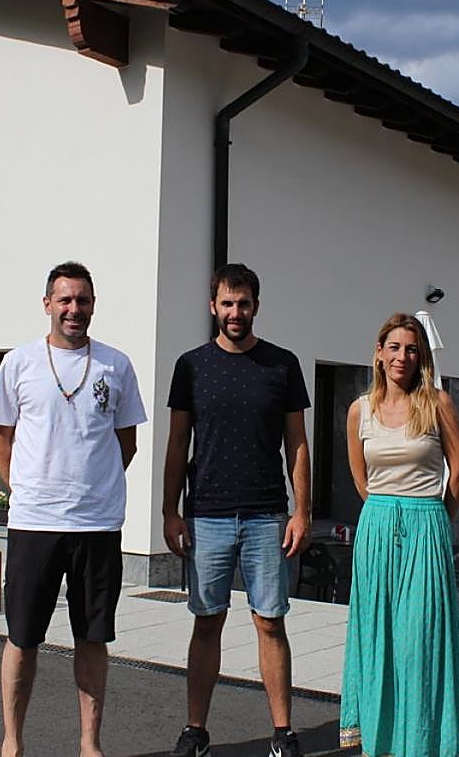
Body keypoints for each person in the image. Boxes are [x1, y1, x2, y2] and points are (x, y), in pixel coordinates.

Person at [0, 261, 147, 757]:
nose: (74, 309)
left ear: (93, 304)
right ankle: (12, 742)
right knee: (23, 636)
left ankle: (89, 745)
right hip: (35, 525)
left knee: (92, 638)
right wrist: (29, 490)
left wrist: (91, 488)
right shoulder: (19, 363)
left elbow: (127, 443)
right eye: (65, 300)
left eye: (83, 300)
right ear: (48, 304)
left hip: (97, 526)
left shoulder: (116, 365)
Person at [162, 263, 312, 757]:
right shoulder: (191, 366)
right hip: (206, 515)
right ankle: (195, 731)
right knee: (207, 619)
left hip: (267, 515)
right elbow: (177, 442)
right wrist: (170, 511)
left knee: (270, 621)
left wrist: (302, 511)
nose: (235, 312)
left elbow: (298, 444)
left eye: (243, 304)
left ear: (256, 307)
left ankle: (283, 733)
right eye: (227, 303)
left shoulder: (282, 365)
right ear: (213, 306)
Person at [339, 312, 459, 757]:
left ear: (422, 357)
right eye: (394, 347)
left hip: (426, 526)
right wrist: (386, 514)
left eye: (411, 349)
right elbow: (361, 482)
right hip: (376, 528)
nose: (402, 356)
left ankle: (422, 746)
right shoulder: (360, 409)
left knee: (420, 644)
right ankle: (378, 745)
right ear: (378, 354)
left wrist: (434, 521)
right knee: (377, 640)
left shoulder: (438, 403)